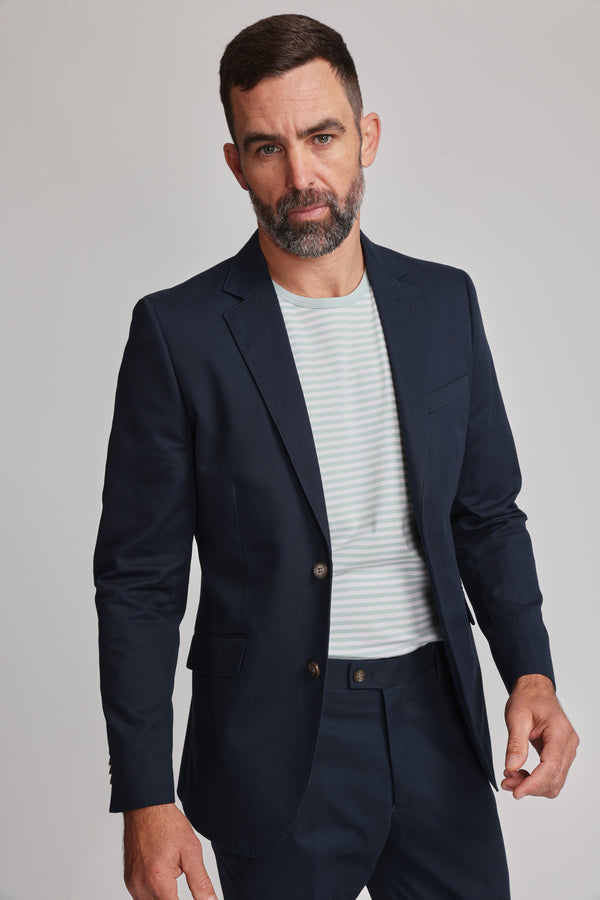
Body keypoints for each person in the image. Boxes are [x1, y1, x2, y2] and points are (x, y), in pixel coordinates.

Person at [94, 14, 579, 900]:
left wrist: (532, 671)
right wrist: (144, 794)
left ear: (367, 137)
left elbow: (486, 514)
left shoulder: (443, 303)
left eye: (322, 136)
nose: (302, 176)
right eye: (267, 148)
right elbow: (139, 578)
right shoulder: (180, 333)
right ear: (236, 163)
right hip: (275, 746)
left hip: (441, 724)